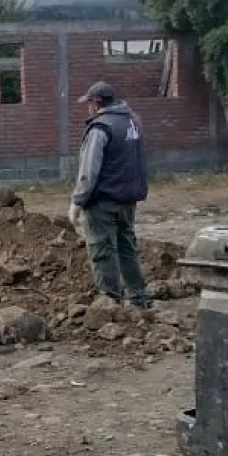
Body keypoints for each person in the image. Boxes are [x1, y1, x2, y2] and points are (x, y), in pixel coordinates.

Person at [68, 81, 151, 309]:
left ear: (96, 103)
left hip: (103, 202)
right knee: (127, 248)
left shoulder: (100, 128)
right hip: (128, 199)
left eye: (89, 104)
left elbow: (89, 170)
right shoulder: (132, 121)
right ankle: (139, 298)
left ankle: (110, 304)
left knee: (102, 250)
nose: (88, 109)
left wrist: (78, 201)